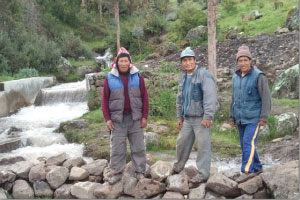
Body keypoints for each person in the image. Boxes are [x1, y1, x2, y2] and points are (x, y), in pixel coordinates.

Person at [101, 47, 149, 184]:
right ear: (117, 63)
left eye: (126, 61)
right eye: (121, 61)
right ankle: (116, 172)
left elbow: (145, 97)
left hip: (135, 119)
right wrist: (108, 119)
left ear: (130, 63)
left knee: (139, 147)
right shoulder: (110, 78)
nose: (123, 64)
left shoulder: (137, 76)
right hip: (117, 121)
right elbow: (104, 100)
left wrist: (144, 116)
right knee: (117, 149)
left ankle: (140, 171)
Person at [174, 47, 218, 183]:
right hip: (187, 119)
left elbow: (210, 97)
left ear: (195, 60)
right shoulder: (183, 77)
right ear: (182, 63)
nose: (188, 63)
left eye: (190, 60)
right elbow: (180, 99)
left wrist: (208, 116)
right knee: (181, 143)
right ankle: (178, 167)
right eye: (185, 60)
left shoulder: (204, 75)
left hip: (201, 118)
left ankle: (203, 174)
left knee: (203, 146)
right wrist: (179, 117)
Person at [230, 46, 271, 178]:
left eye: (245, 60)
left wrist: (264, 117)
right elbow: (234, 98)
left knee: (248, 142)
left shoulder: (259, 76)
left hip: (254, 118)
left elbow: (266, 97)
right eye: (240, 60)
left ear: (250, 61)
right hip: (240, 117)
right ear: (237, 62)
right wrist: (232, 116)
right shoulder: (235, 78)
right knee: (246, 144)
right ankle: (257, 166)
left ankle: (246, 171)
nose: (243, 63)